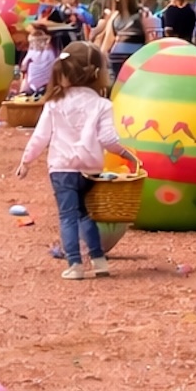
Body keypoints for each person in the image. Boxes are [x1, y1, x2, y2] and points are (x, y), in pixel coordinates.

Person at [15, 42, 129, 279]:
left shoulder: (54, 103)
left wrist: (26, 161)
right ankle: (98, 261)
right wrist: (127, 154)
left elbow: (40, 137)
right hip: (90, 169)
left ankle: (75, 264)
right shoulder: (102, 104)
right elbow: (108, 139)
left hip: (62, 168)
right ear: (97, 73)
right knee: (85, 214)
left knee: (68, 216)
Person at [96, 0, 155, 79]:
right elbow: (108, 40)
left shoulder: (141, 15)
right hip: (121, 59)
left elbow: (149, 38)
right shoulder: (115, 17)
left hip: (133, 58)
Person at [18, 26, 58, 97]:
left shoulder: (32, 52)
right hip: (49, 83)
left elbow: (23, 67)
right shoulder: (51, 51)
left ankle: (24, 92)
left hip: (36, 84)